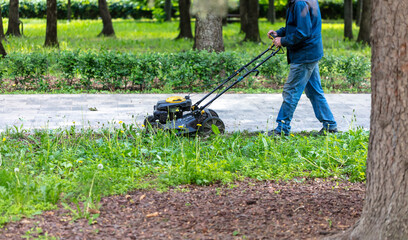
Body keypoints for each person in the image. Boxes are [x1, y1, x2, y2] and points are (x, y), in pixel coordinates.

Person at [267, 0, 337, 136]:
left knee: (291, 91)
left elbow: (302, 32)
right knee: (314, 92)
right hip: (311, 53)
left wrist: (283, 41)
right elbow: (295, 27)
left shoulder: (300, 3)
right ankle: (330, 126)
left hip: (304, 56)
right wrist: (279, 33)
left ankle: (282, 129)